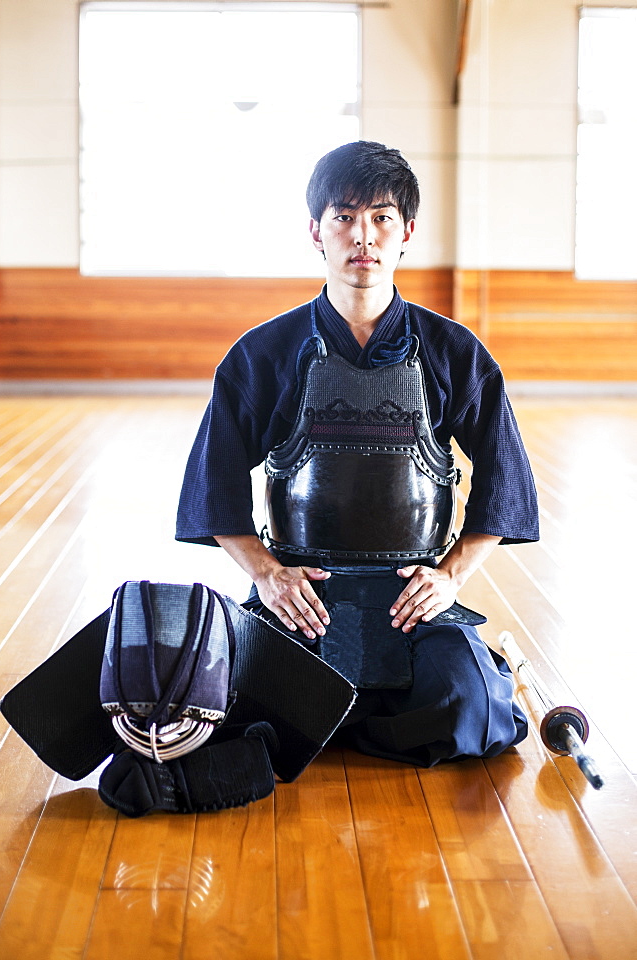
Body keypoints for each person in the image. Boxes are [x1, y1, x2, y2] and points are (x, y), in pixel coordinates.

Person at [176, 141, 539, 767]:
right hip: (304, 597)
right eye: (344, 217)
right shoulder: (264, 353)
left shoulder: (454, 352)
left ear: (407, 232)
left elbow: (505, 490)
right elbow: (216, 492)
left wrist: (448, 577)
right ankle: (346, 715)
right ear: (316, 231)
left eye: (381, 217)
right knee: (228, 702)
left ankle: (328, 724)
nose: (362, 236)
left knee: (469, 704)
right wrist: (268, 575)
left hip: (410, 599)